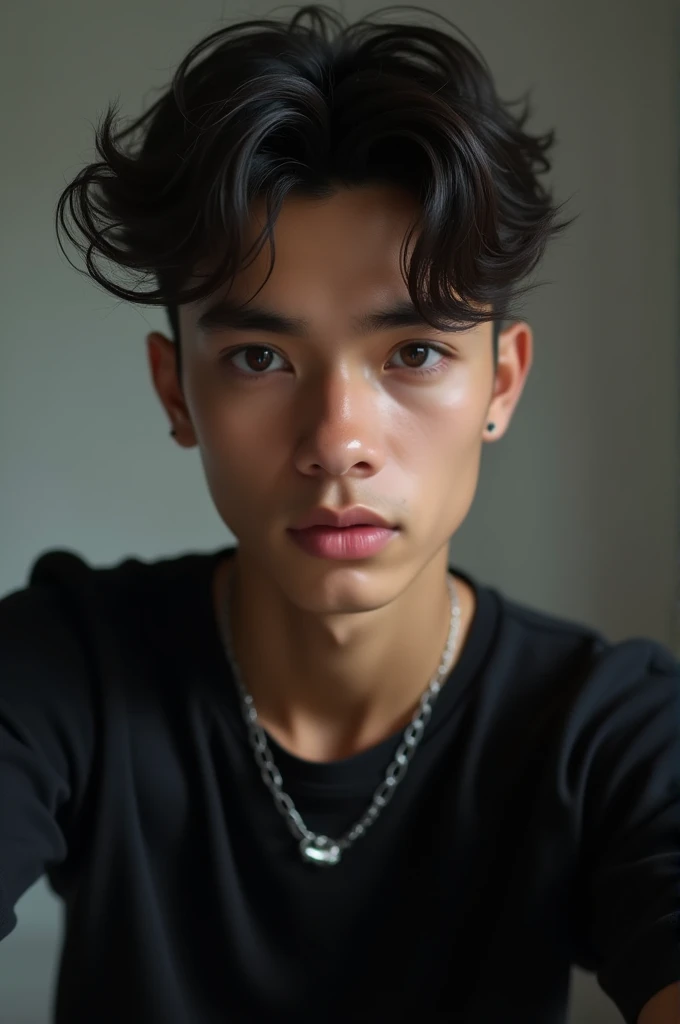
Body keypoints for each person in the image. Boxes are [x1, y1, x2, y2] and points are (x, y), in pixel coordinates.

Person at [1, 5, 678, 1023]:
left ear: (499, 384)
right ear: (176, 392)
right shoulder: (62, 675)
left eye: (411, 352)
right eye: (260, 358)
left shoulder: (609, 730)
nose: (336, 440)